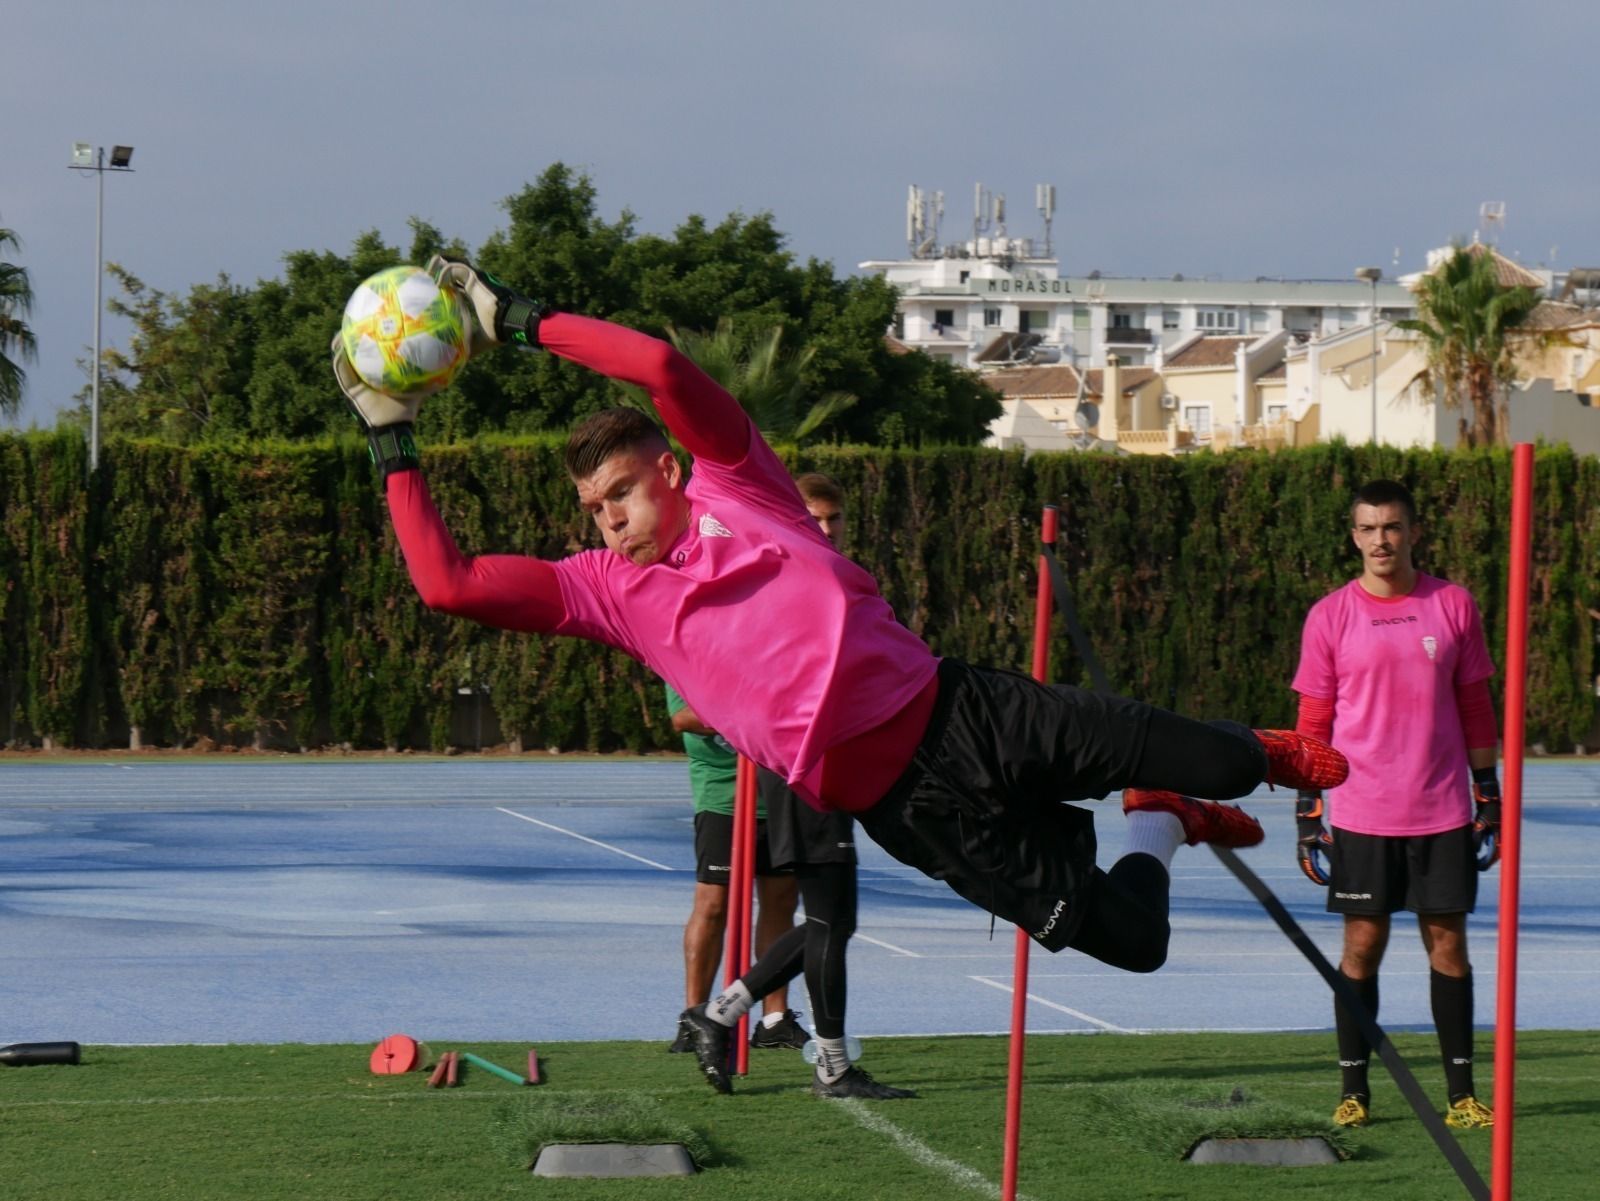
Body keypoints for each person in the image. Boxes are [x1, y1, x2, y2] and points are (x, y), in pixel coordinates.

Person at [332, 256, 1348, 1096]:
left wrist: (521, 322)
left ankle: (1237, 764)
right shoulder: (605, 590)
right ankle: (1156, 823)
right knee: (1134, 941)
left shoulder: (742, 484)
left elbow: (661, 369)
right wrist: (391, 439)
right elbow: (446, 582)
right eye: (593, 507)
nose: (607, 517)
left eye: (621, 491)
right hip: (911, 809)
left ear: (669, 470)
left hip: (964, 710)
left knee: (1222, 758)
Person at [688, 471, 914, 1099]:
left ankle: (725, 1015)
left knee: (830, 921)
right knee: (831, 921)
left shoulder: (838, 579)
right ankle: (816, 1058)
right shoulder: (786, 581)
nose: (827, 529)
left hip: (830, 766)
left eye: (834, 519)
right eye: (814, 519)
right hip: (802, 766)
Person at [1290, 479, 1500, 1131]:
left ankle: (1462, 1096)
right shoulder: (1330, 615)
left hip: (1442, 809)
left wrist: (1488, 790)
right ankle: (1354, 1092)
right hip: (1362, 812)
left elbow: (1475, 705)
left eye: (1391, 526)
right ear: (1354, 537)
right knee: (1362, 946)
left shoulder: (1452, 604)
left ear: (1413, 532)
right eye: (1368, 528)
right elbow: (1313, 719)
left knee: (1449, 946)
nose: (1380, 539)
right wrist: (1307, 808)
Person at [664, 681, 810, 1053]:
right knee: (713, 904)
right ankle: (694, 1017)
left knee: (781, 901)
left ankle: (774, 1020)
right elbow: (683, 718)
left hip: (779, 785)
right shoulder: (688, 657)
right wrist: (756, 715)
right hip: (723, 795)